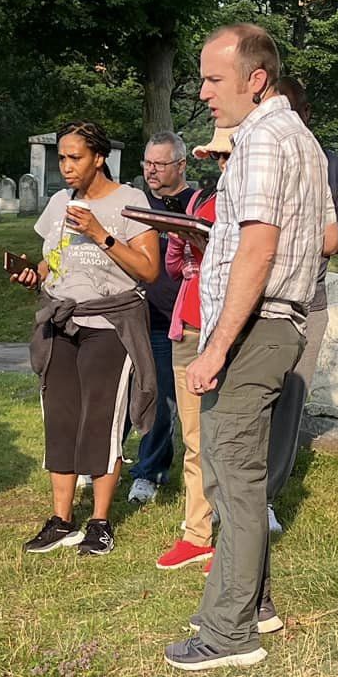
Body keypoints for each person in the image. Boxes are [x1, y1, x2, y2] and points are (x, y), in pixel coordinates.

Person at [167, 25, 327, 671]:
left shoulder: (262, 138)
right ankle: (251, 602)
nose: (204, 92)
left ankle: (228, 634)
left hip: (255, 326)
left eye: (213, 78)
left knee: (231, 478)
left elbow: (260, 248)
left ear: (255, 78)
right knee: (238, 475)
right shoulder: (296, 137)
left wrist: (214, 349)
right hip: (273, 321)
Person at [13, 120, 162, 557]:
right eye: (62, 157)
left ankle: (100, 521)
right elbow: (52, 262)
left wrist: (101, 233)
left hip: (110, 324)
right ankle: (61, 520)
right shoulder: (60, 202)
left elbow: (149, 271)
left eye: (74, 157)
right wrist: (31, 273)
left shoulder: (130, 201)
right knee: (59, 419)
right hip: (61, 321)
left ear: (99, 157)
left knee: (101, 420)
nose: (66, 167)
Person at [263, 75, 338, 528]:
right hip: (248, 301)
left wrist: (301, 238)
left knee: (287, 403)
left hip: (306, 302)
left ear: (306, 116)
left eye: (292, 114)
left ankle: (265, 497)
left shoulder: (329, 165)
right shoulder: (252, 155)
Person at [153, 131, 227, 572]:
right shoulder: (201, 204)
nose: (221, 163)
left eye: (227, 154)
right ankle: (197, 534)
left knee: (233, 440)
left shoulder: (259, 202)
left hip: (236, 331)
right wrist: (189, 242)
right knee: (196, 438)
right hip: (191, 325)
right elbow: (176, 265)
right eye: (216, 156)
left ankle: (236, 535)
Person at [126, 131, 199, 505]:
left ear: (181, 164)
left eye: (160, 164)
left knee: (162, 399)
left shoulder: (196, 205)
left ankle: (150, 471)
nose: (151, 171)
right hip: (133, 314)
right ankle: (102, 461)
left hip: (177, 319)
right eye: (147, 163)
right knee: (123, 395)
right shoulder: (135, 205)